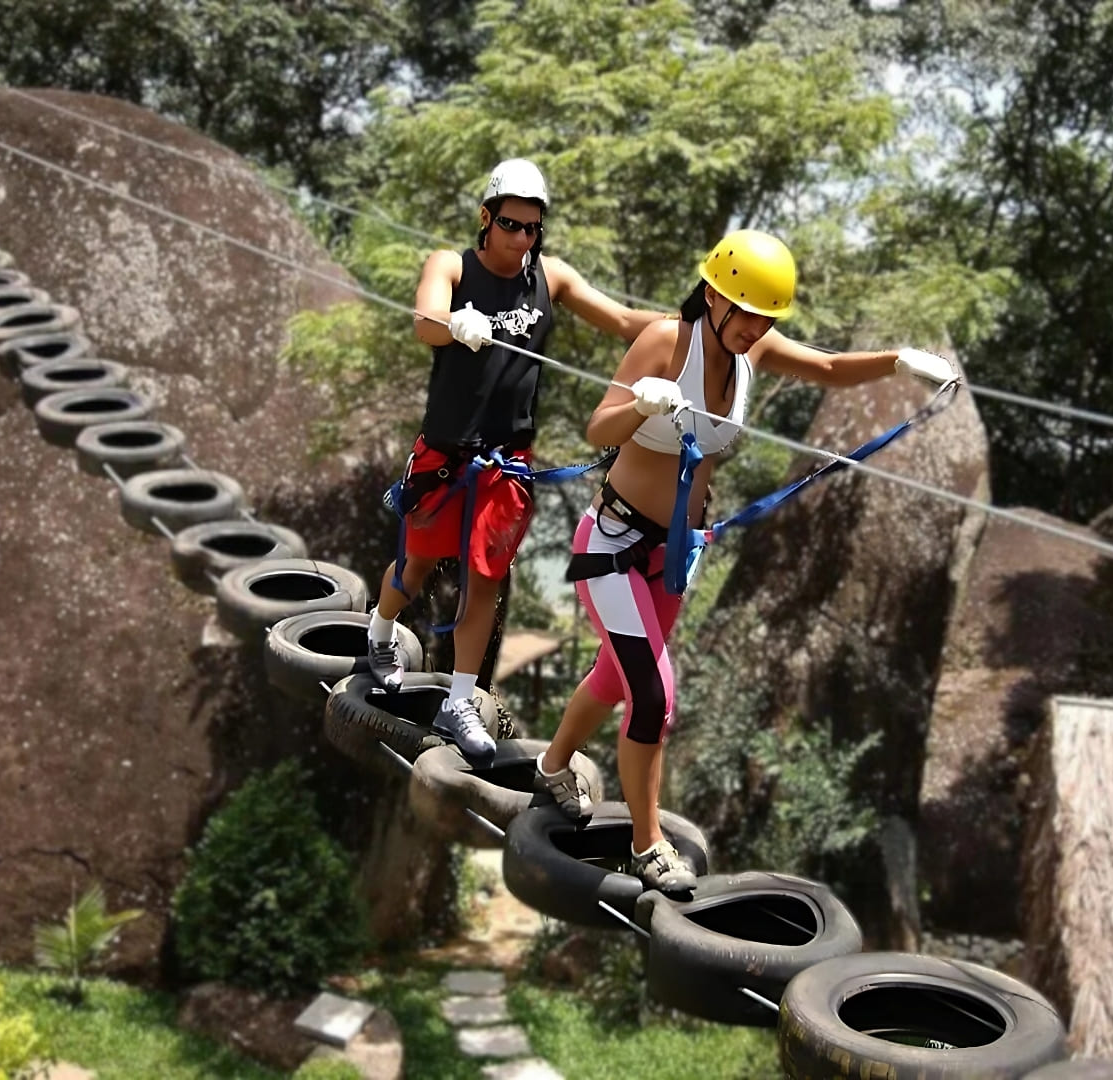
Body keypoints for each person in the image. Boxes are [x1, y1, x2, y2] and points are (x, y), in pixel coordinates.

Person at [532, 228, 956, 892]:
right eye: (744, 309)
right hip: (612, 546)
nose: (753, 325)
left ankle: (554, 764)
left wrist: (900, 362)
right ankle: (647, 845)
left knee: (616, 678)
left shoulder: (751, 346)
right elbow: (599, 428)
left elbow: (827, 368)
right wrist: (642, 401)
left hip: (671, 555)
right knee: (654, 698)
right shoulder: (667, 342)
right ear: (712, 295)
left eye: (763, 316)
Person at [367, 158, 670, 766]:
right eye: (511, 225)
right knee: (419, 565)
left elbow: (621, 320)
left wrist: (694, 330)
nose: (522, 239)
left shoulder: (549, 278)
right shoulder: (452, 265)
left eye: (533, 228)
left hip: (508, 462)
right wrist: (456, 322)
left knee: (486, 581)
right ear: (486, 217)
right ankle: (378, 634)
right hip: (447, 454)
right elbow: (425, 320)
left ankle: (459, 699)